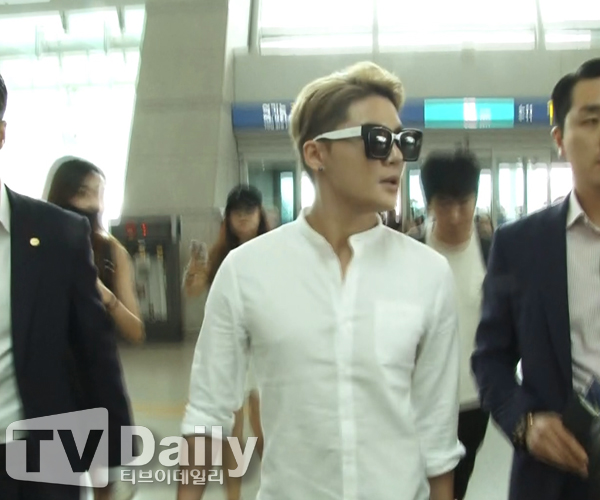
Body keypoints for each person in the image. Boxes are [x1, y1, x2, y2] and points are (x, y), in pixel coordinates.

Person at [178, 61, 463, 500]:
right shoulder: (246, 271)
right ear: (316, 154)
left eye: (403, 141)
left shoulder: (428, 274)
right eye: (377, 139)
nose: (395, 157)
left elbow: (437, 435)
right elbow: (206, 417)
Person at [471, 57, 600, 500]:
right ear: (560, 139)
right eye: (593, 120)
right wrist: (525, 423)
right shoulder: (519, 246)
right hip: (554, 474)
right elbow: (489, 359)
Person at [0, 72, 133, 499]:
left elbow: (93, 352)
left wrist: (109, 458)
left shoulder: (57, 234)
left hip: (40, 456)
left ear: (1, 133)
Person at [182, 184, 268, 500]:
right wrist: (194, 271)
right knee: (233, 429)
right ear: (228, 218)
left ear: (260, 215)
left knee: (263, 426)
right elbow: (192, 291)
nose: (243, 218)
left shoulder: (272, 252)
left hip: (263, 348)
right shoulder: (219, 256)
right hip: (231, 349)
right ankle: (234, 496)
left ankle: (278, 484)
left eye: (249, 211)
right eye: (237, 212)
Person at [417, 150, 492, 500]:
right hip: (418, 400)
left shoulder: (493, 253)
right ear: (429, 203)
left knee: (456, 487)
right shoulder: (410, 253)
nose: (456, 215)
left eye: (464, 203)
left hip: (472, 401)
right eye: (444, 204)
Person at [44, 158, 145, 344]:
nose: (94, 204)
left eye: (99, 193)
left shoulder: (111, 251)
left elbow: (136, 332)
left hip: (96, 357)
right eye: (83, 193)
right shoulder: (39, 245)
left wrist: (107, 297)